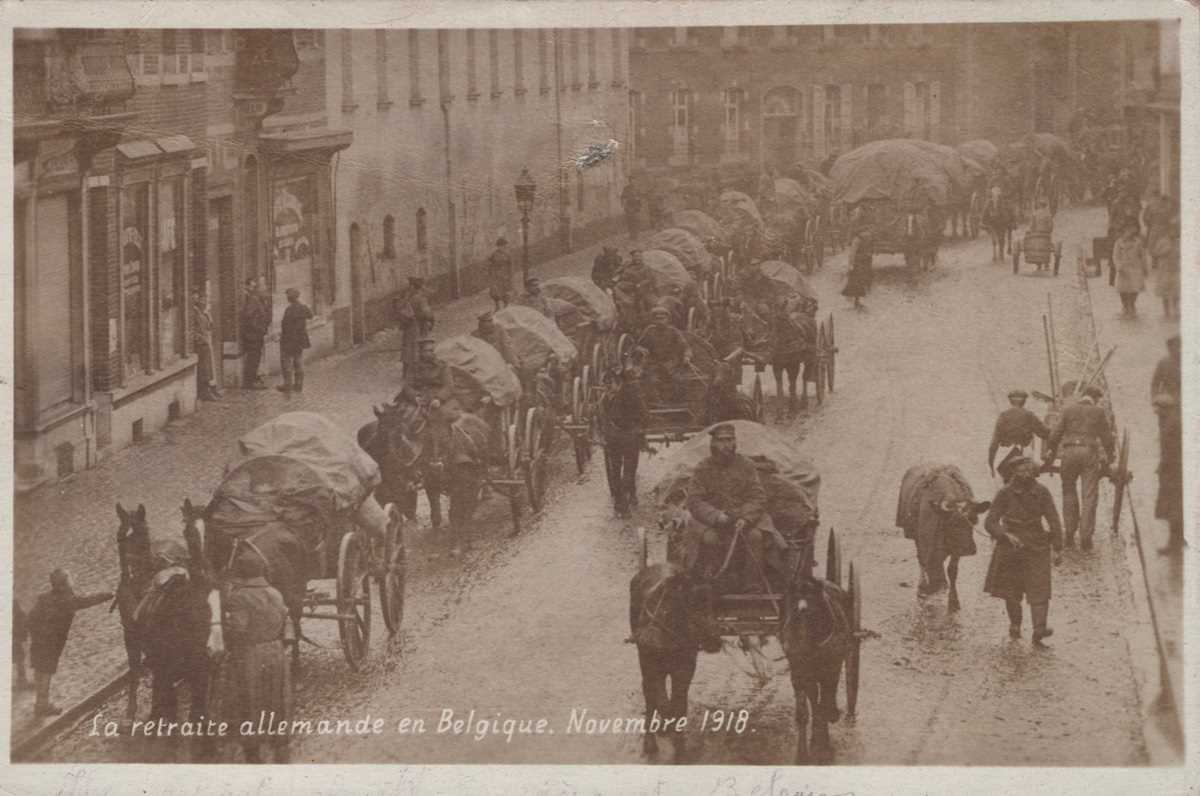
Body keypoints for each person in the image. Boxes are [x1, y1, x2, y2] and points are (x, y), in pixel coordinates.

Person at [982, 456, 1064, 645]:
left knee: (1040, 588)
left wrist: (1058, 548)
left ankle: (1039, 629)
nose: (1026, 474)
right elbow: (990, 521)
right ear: (1013, 473)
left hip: (1037, 544)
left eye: (1029, 470)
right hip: (1011, 547)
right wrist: (1004, 535)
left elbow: (1053, 519)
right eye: (1021, 471)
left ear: (1034, 472)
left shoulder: (1042, 492)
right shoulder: (1004, 494)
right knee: (1011, 591)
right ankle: (1015, 625)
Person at [684, 424, 774, 593]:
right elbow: (694, 501)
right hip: (712, 522)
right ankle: (712, 582)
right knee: (710, 539)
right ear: (713, 444)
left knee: (755, 537)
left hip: (742, 520)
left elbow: (758, 496)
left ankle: (752, 586)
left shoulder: (746, 465)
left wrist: (745, 518)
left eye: (730, 440)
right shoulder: (703, 468)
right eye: (721, 441)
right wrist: (716, 516)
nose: (726, 445)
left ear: (735, 442)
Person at [223, 554, 292, 764]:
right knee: (277, 695)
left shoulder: (239, 597)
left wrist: (224, 628)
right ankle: (280, 741)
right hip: (276, 650)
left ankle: (252, 746)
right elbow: (287, 620)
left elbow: (239, 629)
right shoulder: (275, 592)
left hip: (250, 653)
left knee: (250, 698)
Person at [28, 569, 113, 715]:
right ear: (64, 584)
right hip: (51, 643)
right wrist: (108, 594)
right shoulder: (68, 600)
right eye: (69, 579)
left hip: (38, 641)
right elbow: (88, 600)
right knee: (47, 672)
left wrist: (36, 633)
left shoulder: (43, 598)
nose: (71, 581)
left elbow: (31, 618)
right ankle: (43, 705)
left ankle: (39, 703)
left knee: (39, 670)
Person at [1043, 385, 1115, 550]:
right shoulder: (1098, 412)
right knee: (1089, 495)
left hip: (1069, 454)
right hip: (1089, 454)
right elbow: (1107, 439)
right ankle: (1085, 538)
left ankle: (1069, 533)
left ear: (1082, 396)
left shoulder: (1068, 410)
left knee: (1068, 491)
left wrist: (1051, 452)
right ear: (1095, 399)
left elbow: (1055, 435)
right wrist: (1110, 457)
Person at [599, 359, 650, 518]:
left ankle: (624, 502)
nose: (607, 388)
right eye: (605, 385)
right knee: (615, 470)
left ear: (618, 382)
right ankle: (621, 499)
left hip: (629, 437)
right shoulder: (605, 399)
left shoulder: (631, 395)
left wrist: (639, 431)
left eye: (610, 384)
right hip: (613, 440)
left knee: (628, 470)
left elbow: (644, 415)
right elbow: (603, 419)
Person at [988, 389, 1051, 481]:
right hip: (1024, 456)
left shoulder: (1003, 416)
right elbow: (1044, 433)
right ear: (1024, 402)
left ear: (1010, 401)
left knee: (1007, 485)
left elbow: (994, 443)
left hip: (1007, 457)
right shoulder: (1029, 415)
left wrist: (991, 463)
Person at [637, 304, 693, 404]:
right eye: (657, 319)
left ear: (668, 319)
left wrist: (686, 357)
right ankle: (657, 403)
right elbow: (639, 345)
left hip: (671, 363)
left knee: (679, 380)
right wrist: (641, 349)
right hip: (654, 363)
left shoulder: (673, 332)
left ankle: (677, 402)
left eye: (662, 319)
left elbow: (686, 347)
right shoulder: (649, 331)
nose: (660, 322)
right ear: (653, 320)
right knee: (651, 380)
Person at [1153, 393, 1185, 554]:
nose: (1155, 411)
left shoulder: (1171, 425)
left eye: (1157, 408)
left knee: (1173, 506)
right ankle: (1178, 540)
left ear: (1164, 409)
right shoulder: (1172, 421)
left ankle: (1175, 543)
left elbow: (1171, 451)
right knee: (1176, 506)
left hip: (1173, 471)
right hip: (1174, 470)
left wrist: (1163, 466)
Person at [396, 276, 435, 375]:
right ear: (420, 287)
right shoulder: (420, 298)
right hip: (418, 326)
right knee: (419, 346)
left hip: (408, 326)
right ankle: (417, 372)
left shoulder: (407, 298)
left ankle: (406, 371)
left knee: (407, 347)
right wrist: (431, 320)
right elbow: (426, 313)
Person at [276, 287, 313, 393]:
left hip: (289, 340)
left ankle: (287, 385)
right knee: (298, 362)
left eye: (287, 296)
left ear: (289, 298)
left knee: (286, 362)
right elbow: (311, 315)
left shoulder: (289, 310)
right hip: (300, 340)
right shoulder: (303, 308)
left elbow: (285, 326)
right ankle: (298, 385)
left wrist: (281, 337)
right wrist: (303, 304)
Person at [1112, 223, 1149, 317]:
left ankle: (1132, 305)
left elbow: (1143, 256)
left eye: (1132, 230)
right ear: (1123, 231)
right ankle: (1125, 305)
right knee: (1122, 289)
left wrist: (1145, 267)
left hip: (1135, 268)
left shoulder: (1138, 242)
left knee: (1134, 288)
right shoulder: (1119, 243)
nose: (1129, 232)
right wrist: (1118, 266)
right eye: (1127, 230)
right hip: (1123, 269)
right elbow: (1115, 256)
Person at [239, 278, 270, 389]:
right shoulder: (253, 300)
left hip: (256, 334)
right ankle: (249, 383)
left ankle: (252, 380)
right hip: (253, 335)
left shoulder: (257, 299)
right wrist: (259, 329)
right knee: (253, 358)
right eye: (261, 287)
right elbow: (248, 316)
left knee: (255, 358)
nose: (264, 289)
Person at [191, 290, 222, 401]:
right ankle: (204, 391)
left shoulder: (202, 312)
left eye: (205, 299)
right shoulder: (193, 312)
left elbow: (208, 326)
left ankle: (210, 389)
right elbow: (191, 330)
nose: (204, 301)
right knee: (203, 369)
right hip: (200, 344)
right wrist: (200, 339)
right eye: (201, 299)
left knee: (209, 368)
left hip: (206, 342)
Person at [1152, 217, 1180, 319]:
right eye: (1171, 230)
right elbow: (1155, 253)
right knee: (1165, 290)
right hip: (1164, 269)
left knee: (1176, 289)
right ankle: (1166, 311)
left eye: (1175, 230)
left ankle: (1176, 308)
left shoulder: (1179, 242)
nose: (1173, 232)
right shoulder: (1162, 241)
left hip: (1176, 269)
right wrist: (1164, 251)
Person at [409, 334, 448, 401]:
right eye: (426, 351)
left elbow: (448, 386)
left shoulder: (442, 365)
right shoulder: (414, 366)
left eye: (431, 350)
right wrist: (415, 396)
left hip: (436, 396)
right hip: (419, 396)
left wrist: (439, 398)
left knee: (446, 411)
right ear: (421, 352)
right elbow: (408, 385)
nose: (430, 353)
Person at [842, 232, 873, 310]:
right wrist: (851, 265)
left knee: (861, 282)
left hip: (864, 263)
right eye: (866, 233)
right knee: (855, 283)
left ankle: (857, 301)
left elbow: (868, 251)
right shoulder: (857, 240)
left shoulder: (866, 240)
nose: (868, 235)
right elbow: (852, 253)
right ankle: (855, 302)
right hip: (857, 264)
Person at [487, 237, 513, 312]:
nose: (504, 247)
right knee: (496, 292)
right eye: (502, 246)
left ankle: (506, 305)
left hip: (505, 275)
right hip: (496, 276)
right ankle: (497, 306)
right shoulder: (494, 255)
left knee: (506, 291)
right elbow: (489, 264)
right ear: (498, 246)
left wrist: (510, 275)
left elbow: (510, 265)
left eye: (505, 246)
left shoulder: (507, 254)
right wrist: (491, 274)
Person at [13, 600, 31, 690]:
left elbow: (24, 621)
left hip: (15, 639)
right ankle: (21, 681)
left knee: (19, 659)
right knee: (19, 659)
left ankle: (21, 680)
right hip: (14, 639)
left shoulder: (17, 610)